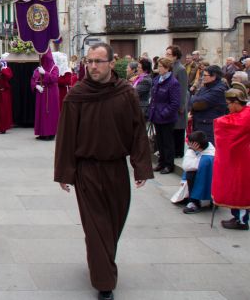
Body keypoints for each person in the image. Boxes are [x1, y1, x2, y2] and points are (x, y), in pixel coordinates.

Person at [54, 42, 153, 300]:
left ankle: (101, 262)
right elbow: (66, 137)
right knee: (96, 226)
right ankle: (105, 282)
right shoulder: (76, 95)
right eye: (90, 62)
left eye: (98, 62)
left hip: (117, 169)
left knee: (113, 224)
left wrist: (141, 166)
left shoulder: (125, 93)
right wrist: (65, 172)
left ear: (111, 63)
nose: (93, 67)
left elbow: (137, 131)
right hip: (87, 171)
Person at [212, 88, 250, 230]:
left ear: (236, 103)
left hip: (242, 159)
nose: (227, 106)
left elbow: (230, 125)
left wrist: (219, 121)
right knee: (234, 187)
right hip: (238, 158)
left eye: (229, 103)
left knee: (240, 189)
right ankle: (237, 216)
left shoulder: (245, 116)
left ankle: (242, 220)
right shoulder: (242, 113)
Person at [147, 57, 181, 174]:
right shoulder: (157, 79)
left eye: (160, 66)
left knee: (167, 142)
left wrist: (164, 113)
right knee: (159, 142)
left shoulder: (173, 83)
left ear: (167, 68)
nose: (158, 68)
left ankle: (168, 164)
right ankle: (161, 163)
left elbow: (175, 103)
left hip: (166, 118)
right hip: (156, 115)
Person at [189, 65, 228, 143]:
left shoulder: (219, 90)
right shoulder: (206, 87)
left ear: (213, 77)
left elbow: (198, 103)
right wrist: (194, 100)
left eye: (205, 75)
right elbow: (192, 99)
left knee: (208, 151)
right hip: (200, 123)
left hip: (209, 126)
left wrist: (194, 100)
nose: (203, 77)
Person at [178, 130, 215, 214]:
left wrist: (191, 151)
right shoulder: (203, 149)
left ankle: (195, 202)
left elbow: (187, 166)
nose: (188, 145)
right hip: (202, 179)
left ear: (196, 144)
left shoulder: (208, 157)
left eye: (190, 143)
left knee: (190, 174)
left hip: (206, 183)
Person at [31, 50, 60, 141]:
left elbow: (55, 79)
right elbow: (33, 79)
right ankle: (42, 133)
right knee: (41, 114)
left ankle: (51, 133)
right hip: (41, 93)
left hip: (51, 93)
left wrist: (45, 73)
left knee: (50, 113)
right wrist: (36, 86)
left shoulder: (54, 68)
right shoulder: (39, 68)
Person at [165, 45, 188, 159]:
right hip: (170, 102)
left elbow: (183, 88)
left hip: (178, 103)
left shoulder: (181, 69)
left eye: (169, 54)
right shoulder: (169, 67)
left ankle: (178, 152)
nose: (167, 56)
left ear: (175, 56)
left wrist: (181, 105)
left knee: (178, 128)